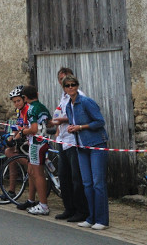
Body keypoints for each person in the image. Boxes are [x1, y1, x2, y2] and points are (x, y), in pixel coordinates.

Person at [65, 76, 109, 230]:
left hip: (96, 143)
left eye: (73, 85)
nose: (71, 87)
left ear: (77, 86)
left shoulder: (86, 101)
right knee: (87, 184)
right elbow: (73, 124)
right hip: (81, 147)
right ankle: (91, 217)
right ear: (64, 88)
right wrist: (71, 128)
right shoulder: (68, 106)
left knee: (98, 183)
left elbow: (99, 121)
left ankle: (102, 220)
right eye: (67, 85)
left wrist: (81, 127)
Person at [51, 68, 89, 222]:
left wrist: (62, 121)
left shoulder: (80, 96)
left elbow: (79, 116)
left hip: (74, 141)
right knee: (63, 176)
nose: (64, 82)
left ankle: (81, 210)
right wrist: (58, 128)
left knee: (76, 178)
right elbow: (60, 114)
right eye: (61, 79)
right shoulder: (63, 96)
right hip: (62, 139)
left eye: (66, 78)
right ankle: (69, 208)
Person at [16, 85, 52, 216]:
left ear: (25, 98)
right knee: (31, 171)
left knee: (38, 174)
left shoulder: (31, 109)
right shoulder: (42, 106)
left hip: (36, 143)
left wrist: (23, 131)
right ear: (36, 94)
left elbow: (34, 129)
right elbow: (50, 122)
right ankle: (32, 200)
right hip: (43, 142)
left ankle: (43, 205)